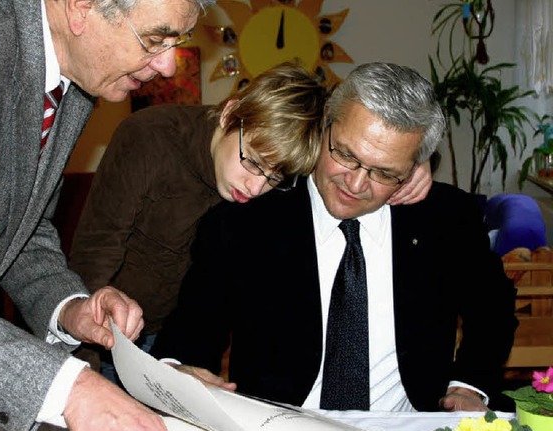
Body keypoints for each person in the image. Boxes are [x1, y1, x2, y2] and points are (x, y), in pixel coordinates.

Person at [0, 0, 215, 431]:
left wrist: (69, 307)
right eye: (155, 39)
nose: (169, 65)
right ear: (81, 7)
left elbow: (22, 231)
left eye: (178, 41)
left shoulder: (75, 75)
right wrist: (71, 389)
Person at [150, 62, 518, 413]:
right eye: (345, 154)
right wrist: (182, 371)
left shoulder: (445, 219)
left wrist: (468, 386)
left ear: (414, 166)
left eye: (385, 173)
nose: (356, 184)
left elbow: (493, 309)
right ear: (324, 125)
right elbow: (194, 326)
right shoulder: (246, 218)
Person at [67, 61, 433, 385]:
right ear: (230, 116)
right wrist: (85, 366)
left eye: (275, 178)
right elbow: (93, 257)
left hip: (168, 338)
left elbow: (352, 137)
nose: (256, 187)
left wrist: (410, 165)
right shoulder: (149, 137)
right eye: (253, 162)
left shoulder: (279, 167)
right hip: (109, 336)